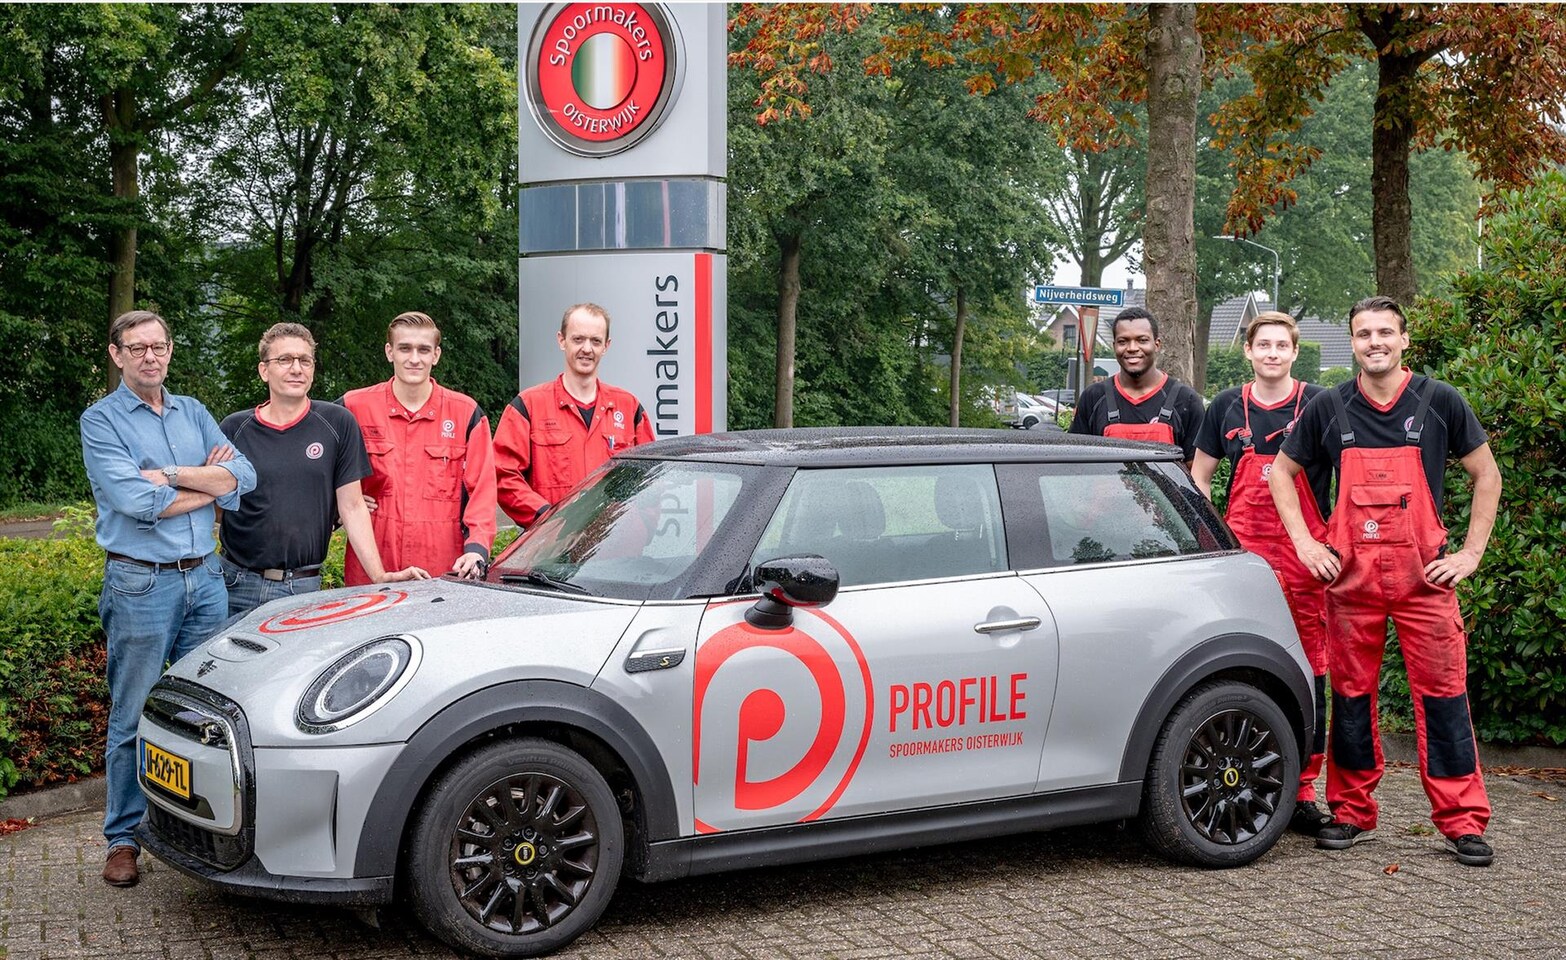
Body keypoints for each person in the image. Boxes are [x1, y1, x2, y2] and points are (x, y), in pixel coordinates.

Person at [1269, 295, 1502, 867]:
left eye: (1384, 333)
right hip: (1352, 582)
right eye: (1363, 334)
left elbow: (1486, 474)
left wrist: (1471, 554)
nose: (1374, 342)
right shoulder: (1329, 406)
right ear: (1353, 342)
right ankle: (1350, 811)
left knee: (1444, 698)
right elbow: (1281, 473)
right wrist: (1306, 544)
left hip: (1425, 581)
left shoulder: (1439, 400)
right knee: (1351, 699)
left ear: (1404, 339)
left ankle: (1462, 820)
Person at [79, 309, 257, 887]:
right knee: (133, 713)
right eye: (137, 348)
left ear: (170, 350)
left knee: (207, 712)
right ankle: (123, 838)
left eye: (158, 346)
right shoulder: (101, 421)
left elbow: (246, 477)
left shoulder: (194, 412)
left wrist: (171, 474)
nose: (150, 356)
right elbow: (136, 502)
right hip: (141, 583)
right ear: (117, 355)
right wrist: (207, 483)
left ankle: (194, 827)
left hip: (206, 580)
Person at [1192, 311, 1333, 834]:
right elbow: (1200, 477)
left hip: (1305, 558)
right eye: (1263, 345)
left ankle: (1303, 789)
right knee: (1240, 660)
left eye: (1282, 345)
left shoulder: (1320, 404)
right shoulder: (1226, 405)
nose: (1273, 353)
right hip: (1243, 559)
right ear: (1248, 351)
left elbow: (1348, 475)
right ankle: (1241, 776)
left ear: (1295, 352)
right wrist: (1212, 540)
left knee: (1310, 666)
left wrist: (1331, 543)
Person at [219, 323, 428, 617]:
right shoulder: (234, 428)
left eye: (305, 360)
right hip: (233, 582)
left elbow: (352, 506)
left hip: (301, 587)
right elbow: (215, 506)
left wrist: (379, 575)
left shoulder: (337, 423)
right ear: (264, 370)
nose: (296, 369)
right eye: (285, 360)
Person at [340, 311, 497, 583]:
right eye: (405, 348)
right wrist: (340, 505)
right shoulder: (353, 408)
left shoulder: (466, 413)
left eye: (423, 350)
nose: (414, 358)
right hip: (372, 571)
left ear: (436, 355)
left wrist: (477, 548)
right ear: (389, 352)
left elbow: (482, 491)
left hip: (443, 572)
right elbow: (316, 468)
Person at [494, 302, 655, 527]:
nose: (587, 349)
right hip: (552, 543)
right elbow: (503, 475)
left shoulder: (629, 408)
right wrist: (547, 519)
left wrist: (639, 529)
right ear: (562, 340)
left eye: (595, 341)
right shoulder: (529, 406)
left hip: (613, 541)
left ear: (606, 346)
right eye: (578, 339)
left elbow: (650, 479)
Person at [1067, 306, 1205, 464]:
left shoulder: (1186, 400)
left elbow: (1196, 472)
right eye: (1123, 341)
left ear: (1157, 344)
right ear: (1114, 346)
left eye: (1142, 340)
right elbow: (1076, 464)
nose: (1132, 348)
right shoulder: (1093, 397)